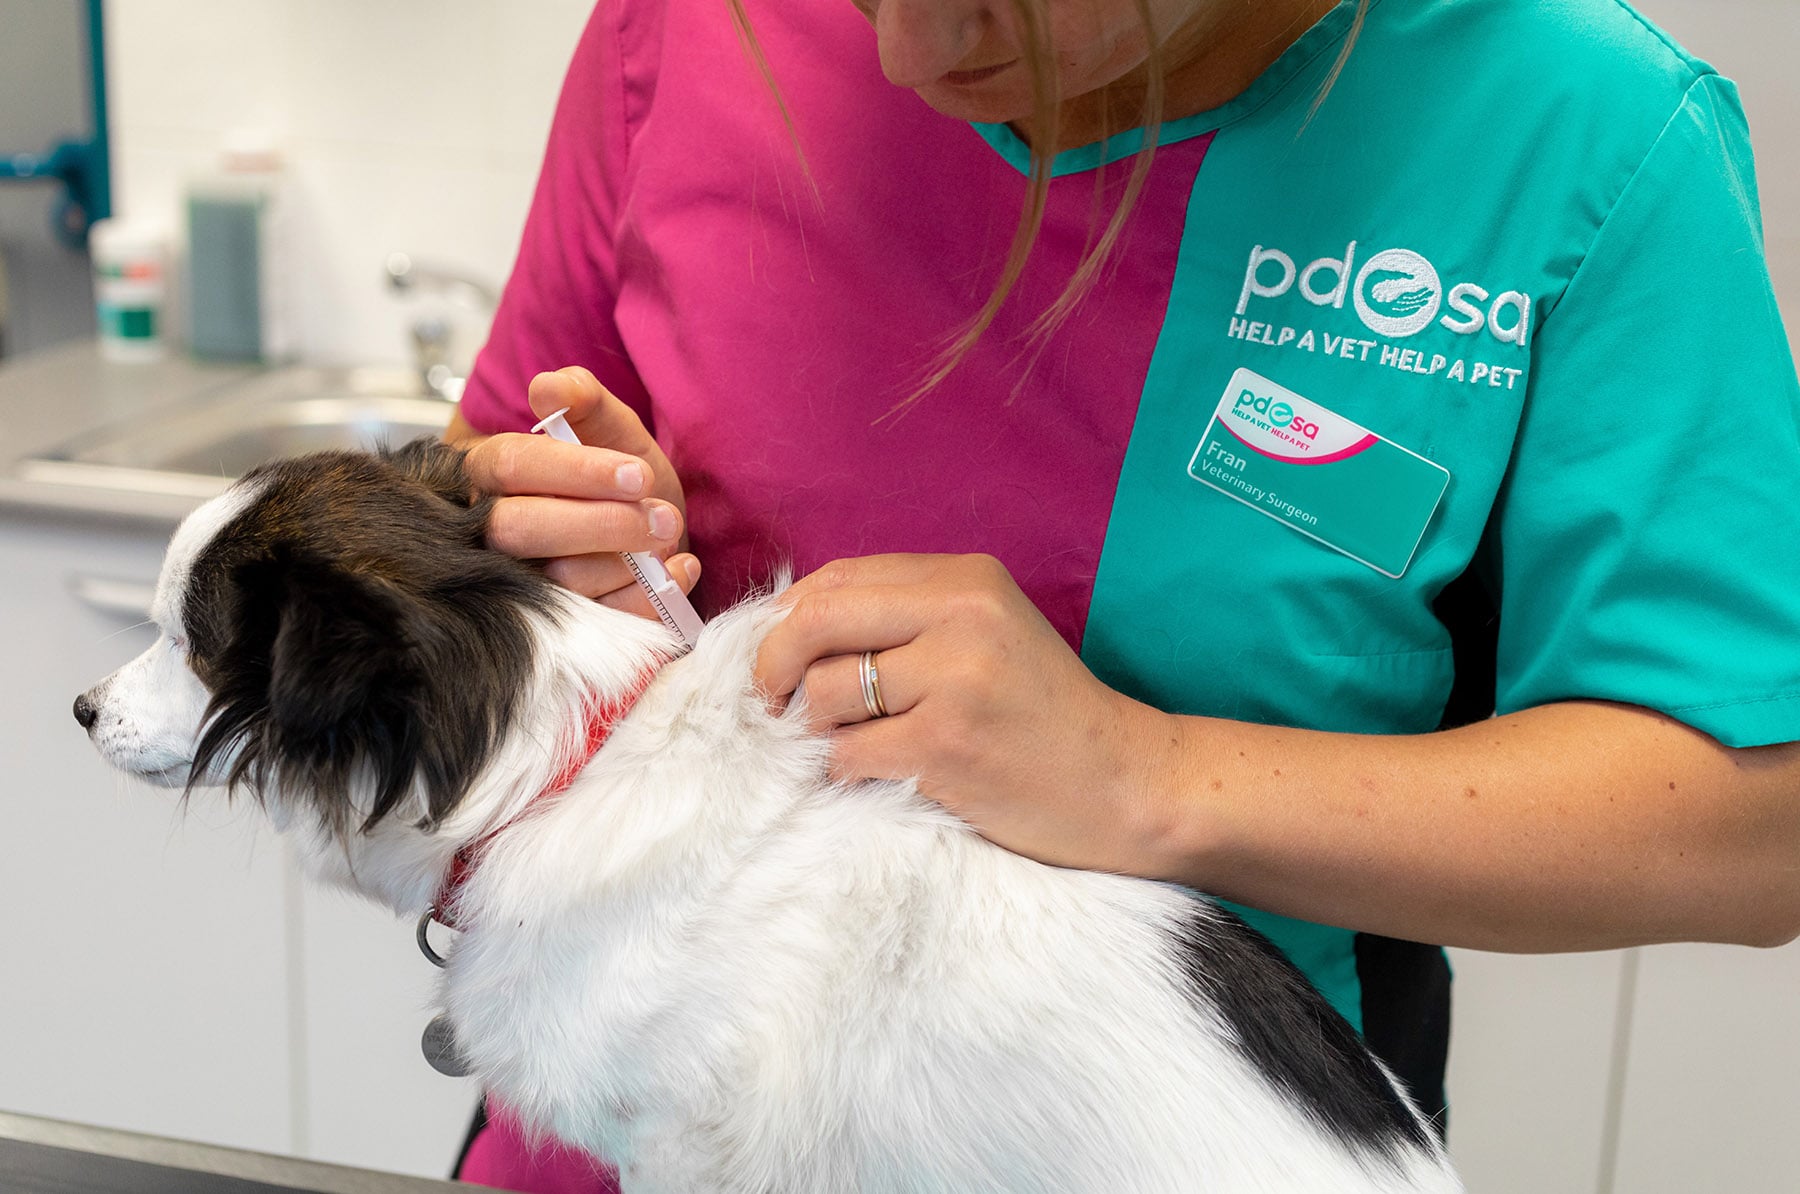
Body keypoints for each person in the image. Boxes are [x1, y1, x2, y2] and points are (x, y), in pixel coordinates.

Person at [441, 0, 1800, 1188]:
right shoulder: (683, 31)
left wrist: (1149, 777)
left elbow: (1753, 821)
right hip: (631, 1130)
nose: (911, 52)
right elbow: (473, 518)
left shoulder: (1578, 134)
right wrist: (564, 596)